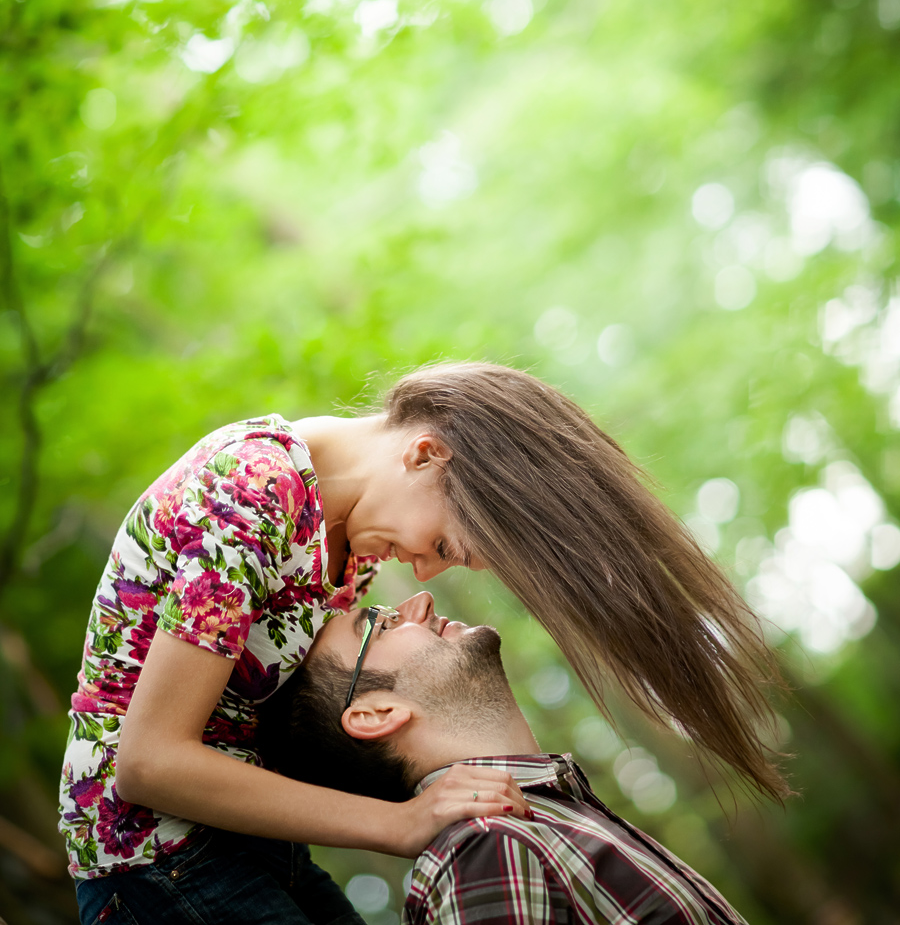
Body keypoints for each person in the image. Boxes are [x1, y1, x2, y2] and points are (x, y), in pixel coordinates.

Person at [60, 362, 784, 924]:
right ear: (426, 452)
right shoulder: (252, 493)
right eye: (441, 542)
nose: (426, 570)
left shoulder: (350, 536)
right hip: (151, 860)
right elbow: (148, 763)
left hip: (243, 845)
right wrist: (402, 824)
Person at [258, 590, 750, 925]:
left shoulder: (530, 825)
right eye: (381, 624)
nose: (420, 600)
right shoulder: (489, 846)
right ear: (377, 713)